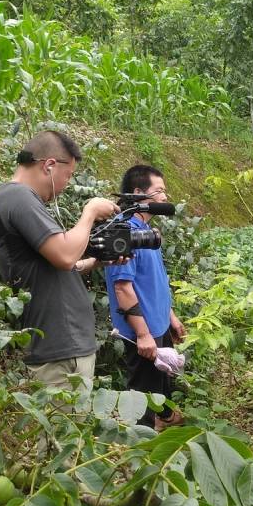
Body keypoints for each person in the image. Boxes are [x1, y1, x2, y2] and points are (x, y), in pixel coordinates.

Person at [0, 130, 120, 389]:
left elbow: (48, 268)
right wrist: (90, 211)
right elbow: (64, 254)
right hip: (60, 349)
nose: (67, 184)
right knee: (67, 428)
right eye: (68, 175)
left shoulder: (18, 199)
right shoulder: (18, 196)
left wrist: (94, 263)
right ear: (49, 165)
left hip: (66, 346)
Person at [105, 165, 186, 430]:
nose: (164, 197)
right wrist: (142, 334)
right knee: (143, 395)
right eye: (158, 191)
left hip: (157, 324)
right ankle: (141, 449)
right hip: (142, 331)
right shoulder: (123, 232)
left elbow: (156, 281)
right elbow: (123, 288)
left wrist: (171, 318)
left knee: (160, 383)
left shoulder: (145, 233)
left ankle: (163, 419)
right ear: (138, 193)